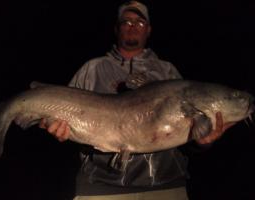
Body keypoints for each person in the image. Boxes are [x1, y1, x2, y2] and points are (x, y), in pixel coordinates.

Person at [40, 1, 234, 199]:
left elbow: (186, 139)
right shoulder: (91, 69)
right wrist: (60, 130)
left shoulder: (167, 72)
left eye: (140, 22)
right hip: (99, 186)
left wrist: (202, 142)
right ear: (117, 28)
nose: (133, 26)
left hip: (164, 186)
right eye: (126, 22)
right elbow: (62, 120)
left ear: (149, 30)